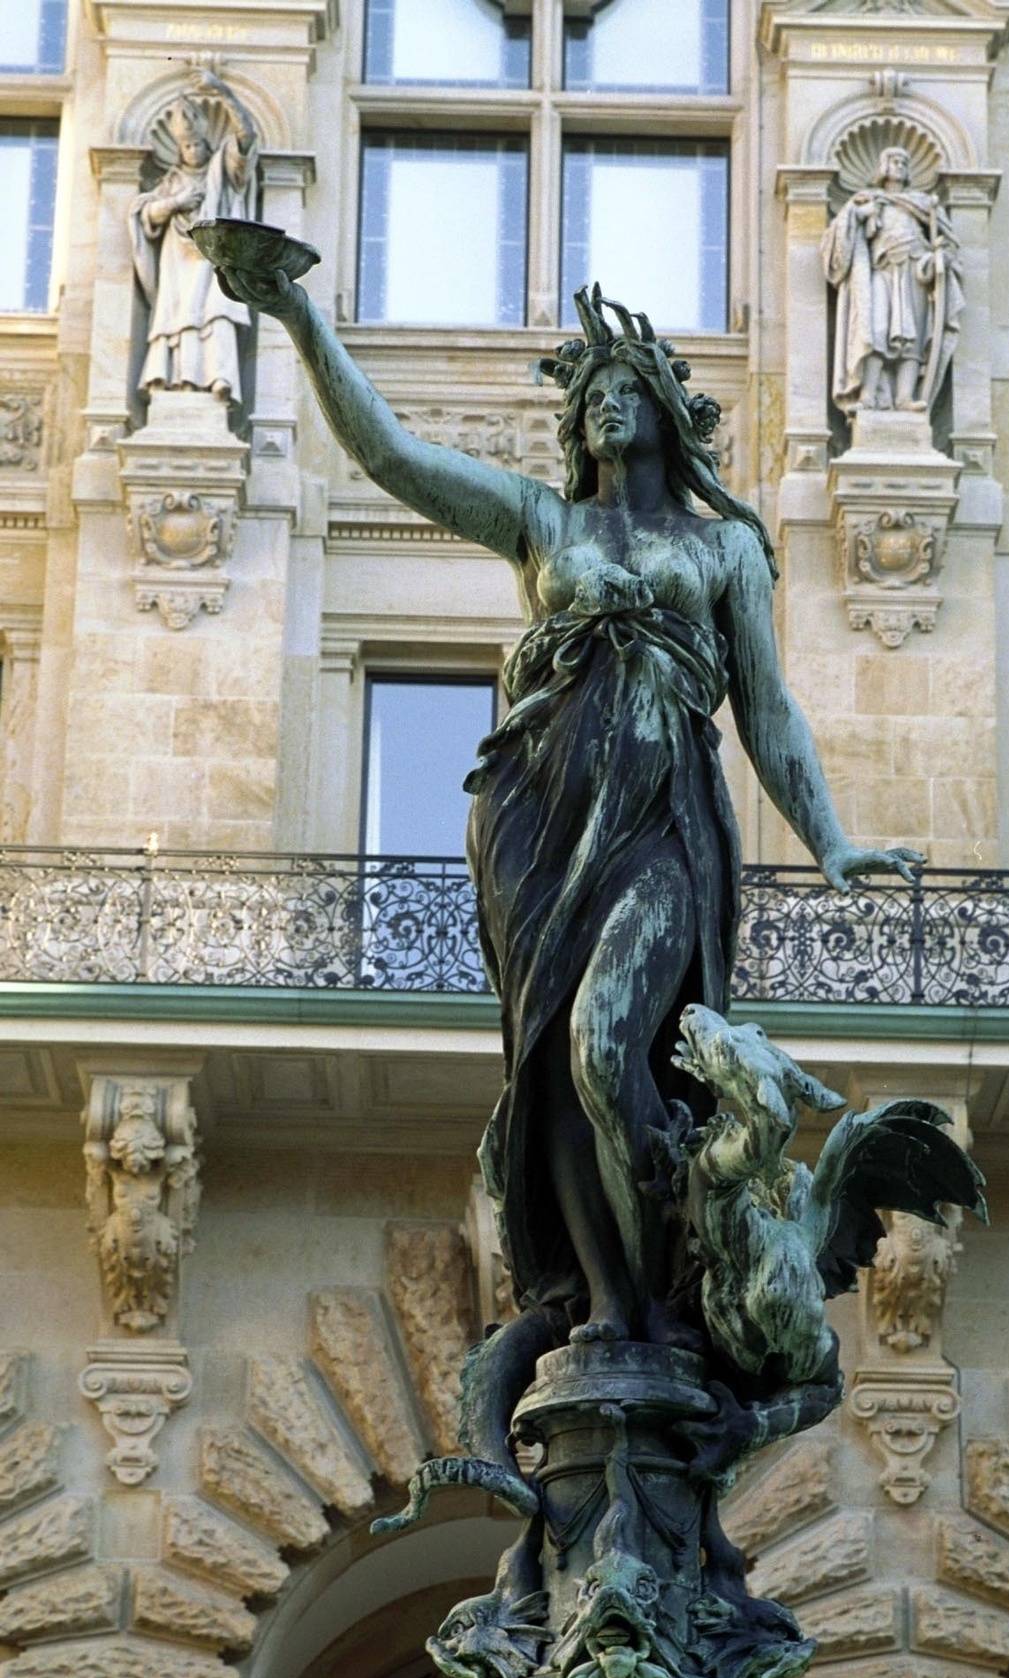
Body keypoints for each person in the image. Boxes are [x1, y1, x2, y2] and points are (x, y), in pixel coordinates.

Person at [212, 262, 922, 1344]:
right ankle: (604, 1297)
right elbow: (391, 455)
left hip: (665, 818)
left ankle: (673, 1251)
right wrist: (301, 315)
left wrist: (830, 837)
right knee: (552, 1057)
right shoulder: (546, 524)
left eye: (622, 384)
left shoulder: (723, 547)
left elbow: (767, 710)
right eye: (587, 390)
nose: (602, 400)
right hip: (539, 818)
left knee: (605, 1045)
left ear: (665, 410)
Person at [130, 72, 259, 404]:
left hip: (215, 257)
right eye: (185, 145)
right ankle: (179, 380)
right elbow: (146, 214)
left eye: (196, 143)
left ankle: (221, 379)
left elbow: (246, 134)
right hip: (177, 262)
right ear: (178, 149)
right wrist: (176, 203)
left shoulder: (223, 169)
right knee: (178, 317)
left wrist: (224, 92)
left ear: (207, 143)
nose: (191, 149)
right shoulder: (171, 181)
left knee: (218, 312)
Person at [822, 144, 964, 415]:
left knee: (912, 337)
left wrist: (939, 257)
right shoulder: (869, 201)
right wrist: (857, 215)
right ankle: (867, 395)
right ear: (882, 167)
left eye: (903, 161)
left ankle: (904, 398)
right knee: (875, 331)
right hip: (882, 270)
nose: (899, 164)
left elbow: (949, 244)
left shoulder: (922, 204)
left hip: (914, 271)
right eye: (894, 160)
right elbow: (838, 238)